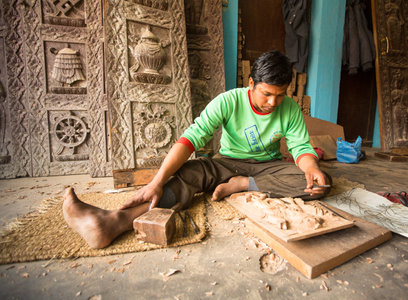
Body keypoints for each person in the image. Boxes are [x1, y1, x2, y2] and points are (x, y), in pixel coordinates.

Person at [63, 50, 331, 249]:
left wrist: (312, 168)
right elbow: (191, 139)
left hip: (265, 167)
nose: (273, 102)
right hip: (226, 162)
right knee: (186, 175)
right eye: (266, 93)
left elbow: (300, 147)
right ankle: (113, 222)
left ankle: (242, 185)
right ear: (250, 83)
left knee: (318, 182)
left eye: (280, 95)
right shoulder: (228, 101)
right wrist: (157, 181)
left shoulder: (290, 108)